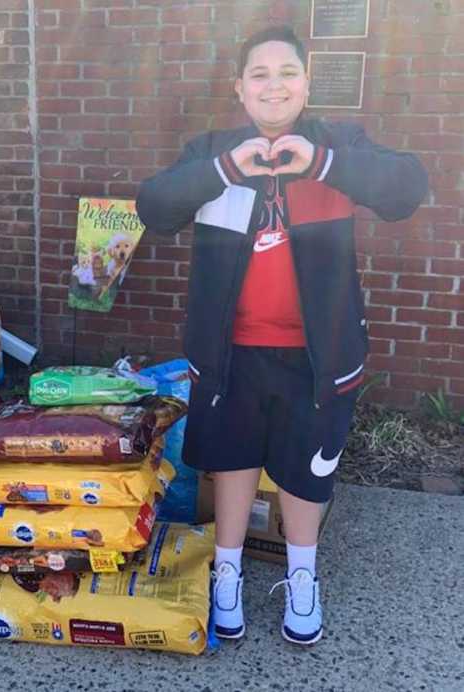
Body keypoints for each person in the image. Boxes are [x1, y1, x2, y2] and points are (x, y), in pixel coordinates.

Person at [135, 25, 427, 645]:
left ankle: (301, 578)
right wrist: (225, 168)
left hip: (318, 358)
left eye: (288, 72)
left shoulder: (337, 144)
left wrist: (320, 163)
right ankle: (230, 573)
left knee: (303, 472)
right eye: (260, 74)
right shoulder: (213, 149)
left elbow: (407, 190)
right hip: (229, 354)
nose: (275, 85)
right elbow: (153, 208)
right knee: (234, 463)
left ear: (307, 81)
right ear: (240, 88)